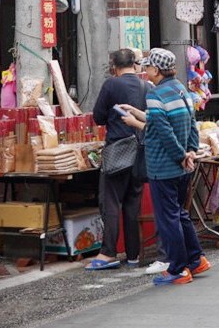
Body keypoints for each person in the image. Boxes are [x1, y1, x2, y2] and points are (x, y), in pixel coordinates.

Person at [120, 48, 208, 285]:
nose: (146, 71)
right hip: (182, 165)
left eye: (148, 67)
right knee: (180, 214)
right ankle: (196, 259)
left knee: (168, 218)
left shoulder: (155, 94)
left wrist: (180, 155)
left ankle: (178, 269)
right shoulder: (181, 89)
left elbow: (162, 130)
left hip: (163, 165)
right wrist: (190, 151)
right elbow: (190, 122)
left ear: (156, 70)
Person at [88, 49, 149, 271]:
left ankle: (108, 253)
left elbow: (98, 116)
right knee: (133, 203)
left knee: (111, 202)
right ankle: (133, 254)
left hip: (117, 149)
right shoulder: (146, 86)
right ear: (134, 64)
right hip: (140, 151)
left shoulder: (111, 85)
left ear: (114, 65)